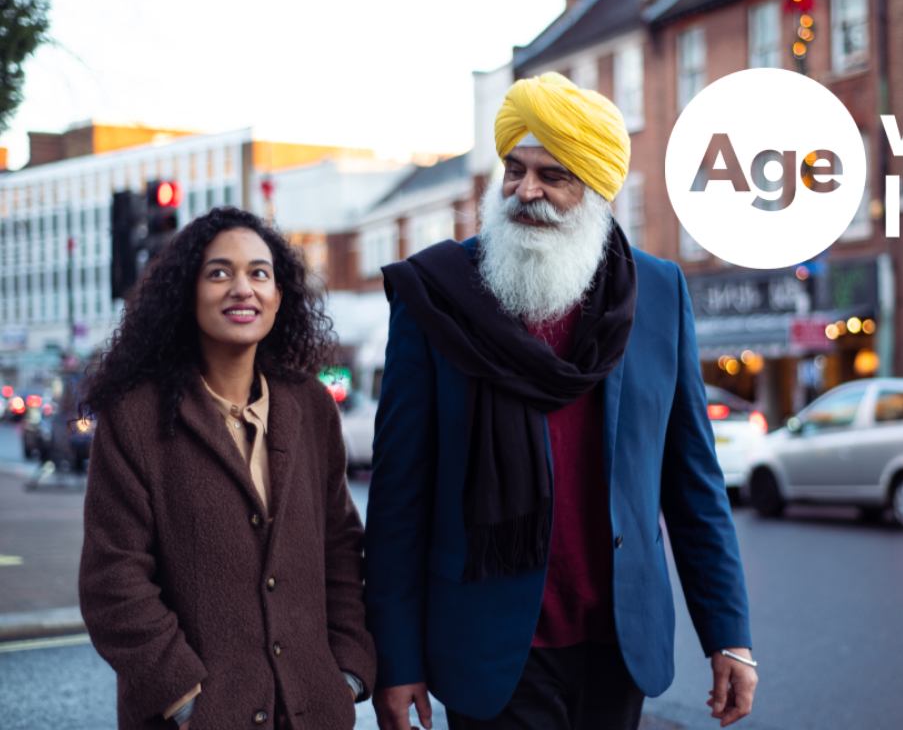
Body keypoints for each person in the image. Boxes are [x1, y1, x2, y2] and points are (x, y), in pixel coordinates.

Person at [367, 72, 756, 730]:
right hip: (489, 648)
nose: (527, 192)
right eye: (514, 171)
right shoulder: (436, 296)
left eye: (554, 176)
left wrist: (728, 634)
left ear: (597, 190)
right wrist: (396, 657)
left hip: (617, 641)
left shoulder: (659, 294)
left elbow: (692, 484)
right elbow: (399, 496)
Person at [79, 207, 375, 729]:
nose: (243, 288)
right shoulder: (135, 417)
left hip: (312, 713)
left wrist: (348, 670)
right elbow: (113, 578)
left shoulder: (310, 406)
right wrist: (185, 698)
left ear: (279, 296)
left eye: (259, 273)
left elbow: (340, 550)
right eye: (219, 273)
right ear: (186, 293)